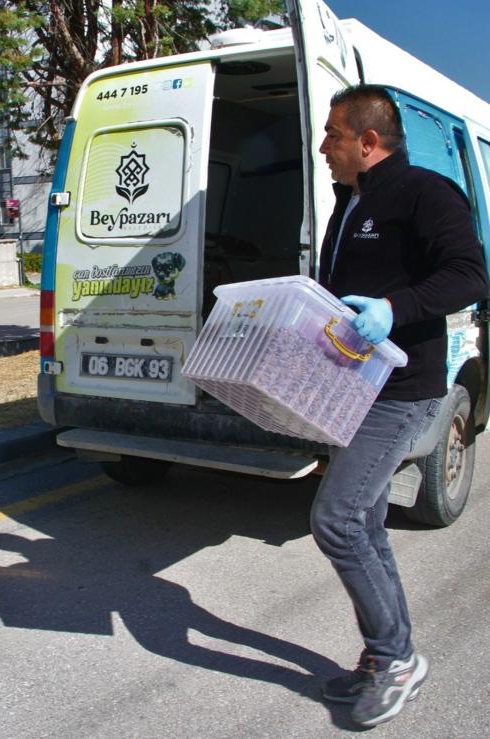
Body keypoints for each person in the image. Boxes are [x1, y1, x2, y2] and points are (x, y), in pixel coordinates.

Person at [313, 84, 488, 728]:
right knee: (365, 525)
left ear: (368, 141)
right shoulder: (349, 202)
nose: (323, 146)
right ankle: (384, 654)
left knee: (336, 520)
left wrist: (395, 311)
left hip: (402, 392)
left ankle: (397, 660)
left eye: (332, 134)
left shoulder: (423, 192)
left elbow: (471, 274)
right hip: (350, 391)